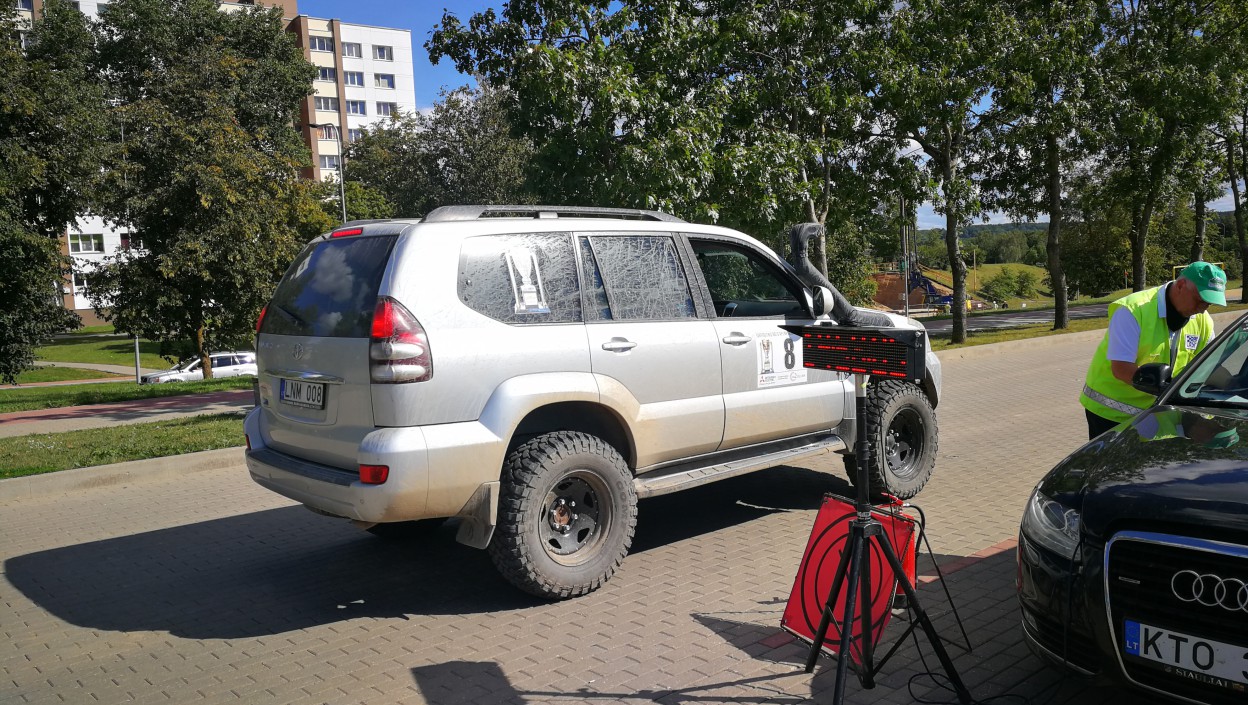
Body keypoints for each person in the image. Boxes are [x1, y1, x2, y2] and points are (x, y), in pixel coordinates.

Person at [1079, 261, 1227, 440]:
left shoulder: (1203, 321)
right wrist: (1167, 389)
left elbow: (1209, 366)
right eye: (1200, 300)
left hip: (1159, 414)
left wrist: (1233, 384)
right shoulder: (1133, 310)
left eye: (1209, 304)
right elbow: (1121, 368)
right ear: (1181, 285)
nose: (1202, 309)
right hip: (1112, 414)